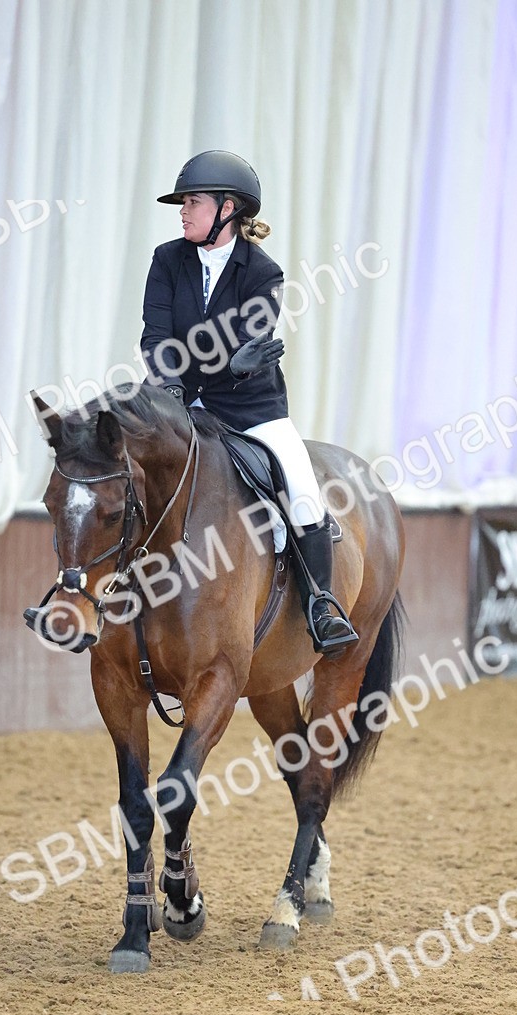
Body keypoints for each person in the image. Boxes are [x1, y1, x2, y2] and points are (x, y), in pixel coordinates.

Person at [141, 149, 358, 652]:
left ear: (228, 209)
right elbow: (155, 334)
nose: (183, 211)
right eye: (184, 204)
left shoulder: (263, 273)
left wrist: (236, 363)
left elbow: (247, 344)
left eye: (193, 202)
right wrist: (172, 386)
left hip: (250, 409)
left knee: (302, 489)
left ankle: (322, 603)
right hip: (180, 402)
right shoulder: (167, 259)